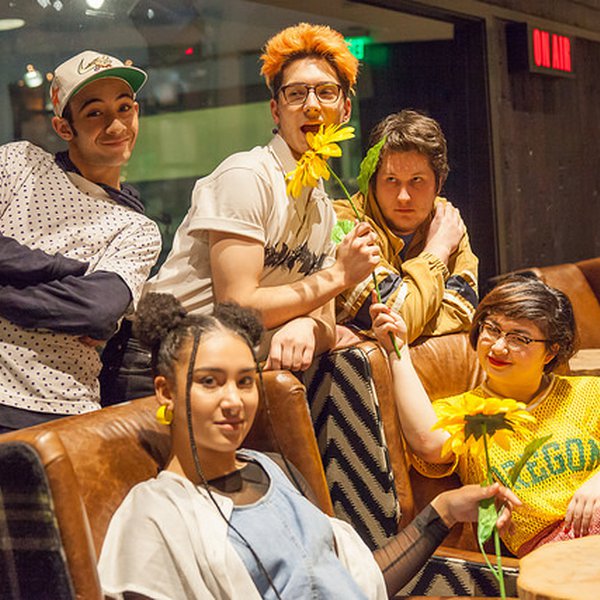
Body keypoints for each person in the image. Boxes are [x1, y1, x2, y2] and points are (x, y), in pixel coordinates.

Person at [97, 292, 518, 599]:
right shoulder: (155, 514)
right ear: (166, 391)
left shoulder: (276, 470)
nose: (233, 400)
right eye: (210, 381)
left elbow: (358, 582)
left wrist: (443, 512)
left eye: (245, 381)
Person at [123, 22, 380, 394]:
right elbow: (238, 306)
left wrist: (307, 326)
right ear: (276, 110)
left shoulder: (322, 205)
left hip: (226, 370)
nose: (312, 105)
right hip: (158, 362)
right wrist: (340, 275)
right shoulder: (248, 176)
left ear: (345, 109)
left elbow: (325, 319)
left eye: (326, 92)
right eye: (296, 94)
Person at [370, 276, 600, 557]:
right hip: (555, 553)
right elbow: (428, 443)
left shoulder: (589, 392)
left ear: (551, 351)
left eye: (519, 338)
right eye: (492, 329)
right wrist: (398, 351)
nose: (498, 347)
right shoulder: (467, 414)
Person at [0, 50, 161, 433]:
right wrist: (63, 270)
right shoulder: (17, 164)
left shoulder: (137, 229)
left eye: (124, 108)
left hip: (59, 406)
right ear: (64, 128)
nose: (116, 125)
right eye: (95, 113)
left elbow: (95, 311)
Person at [335, 110, 478, 343]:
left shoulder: (445, 219)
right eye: (391, 180)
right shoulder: (345, 223)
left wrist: (362, 332)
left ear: (439, 183)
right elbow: (401, 321)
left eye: (416, 180)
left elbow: (464, 311)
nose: (404, 197)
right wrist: (438, 250)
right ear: (372, 181)